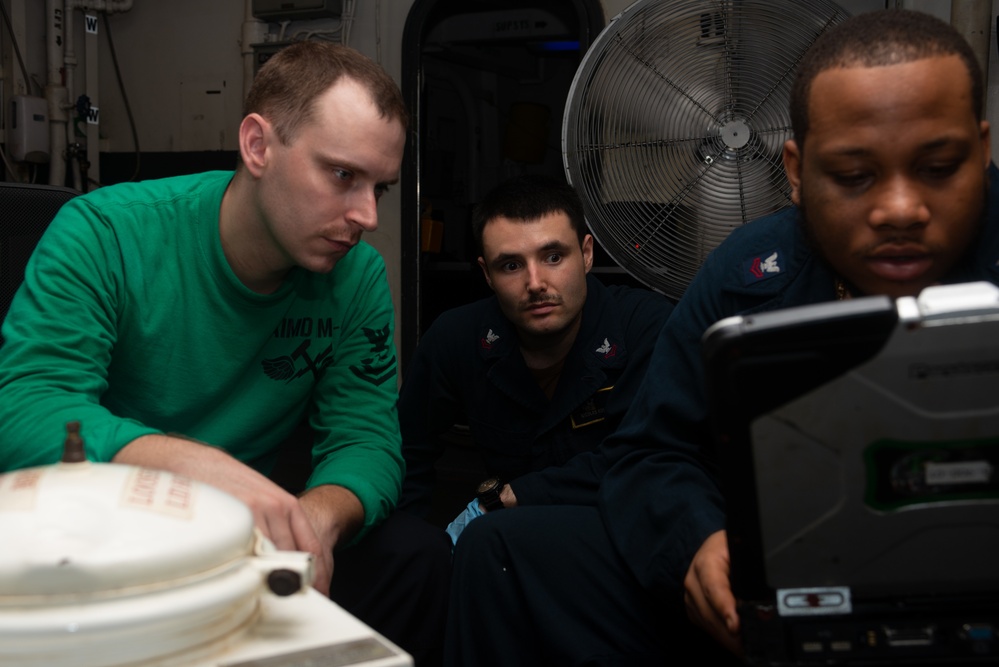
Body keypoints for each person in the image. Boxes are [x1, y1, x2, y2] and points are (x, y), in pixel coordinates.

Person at [444, 9, 996, 666]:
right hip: (772, 568)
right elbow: (650, 450)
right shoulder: (746, 271)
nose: (900, 207)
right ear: (793, 171)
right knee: (502, 550)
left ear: (981, 151)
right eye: (852, 175)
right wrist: (697, 542)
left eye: (937, 166)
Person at [0, 40, 430, 662]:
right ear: (258, 146)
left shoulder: (355, 278)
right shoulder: (107, 233)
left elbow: (365, 437)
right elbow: (25, 407)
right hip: (102, 521)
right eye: (342, 175)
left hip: (245, 535)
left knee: (416, 556)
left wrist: (316, 520)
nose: (365, 215)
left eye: (379, 189)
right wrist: (190, 466)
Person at [397, 174, 673, 523]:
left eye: (553, 257)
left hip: (623, 533)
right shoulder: (456, 337)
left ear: (586, 254)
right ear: (487, 274)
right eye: (511, 266)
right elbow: (406, 453)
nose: (535, 283)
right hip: (513, 543)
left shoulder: (645, 327)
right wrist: (416, 550)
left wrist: (509, 498)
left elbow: (649, 456)